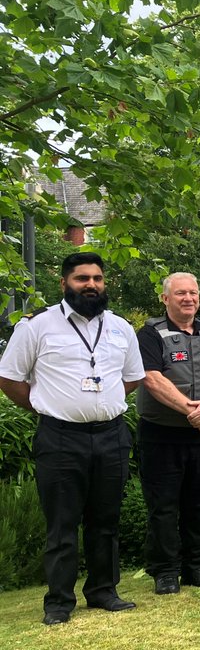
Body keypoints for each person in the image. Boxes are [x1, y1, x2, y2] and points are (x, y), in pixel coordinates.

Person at [0, 252, 145, 625]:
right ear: (64, 283)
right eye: (82, 279)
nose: (91, 285)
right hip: (60, 438)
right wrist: (47, 407)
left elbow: (130, 378)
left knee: (105, 520)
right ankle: (59, 602)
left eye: (97, 278)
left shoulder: (120, 328)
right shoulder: (36, 327)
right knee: (62, 523)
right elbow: (10, 379)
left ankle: (103, 591)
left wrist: (101, 404)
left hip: (111, 435)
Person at [135, 271, 200, 594]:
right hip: (161, 436)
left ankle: (197, 566)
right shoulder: (150, 334)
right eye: (180, 294)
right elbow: (150, 378)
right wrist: (192, 410)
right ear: (165, 299)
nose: (188, 298)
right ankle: (165, 571)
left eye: (193, 293)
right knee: (163, 507)